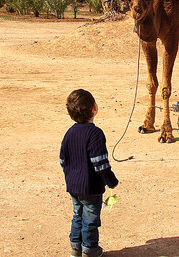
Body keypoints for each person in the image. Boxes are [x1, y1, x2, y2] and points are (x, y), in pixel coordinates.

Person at [60, 89, 118, 257]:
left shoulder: (69, 133)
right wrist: (111, 181)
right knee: (91, 220)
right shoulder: (95, 134)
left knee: (77, 216)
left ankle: (75, 248)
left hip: (73, 187)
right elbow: (100, 163)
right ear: (95, 108)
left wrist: (71, 177)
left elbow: (63, 160)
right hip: (91, 188)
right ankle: (90, 250)